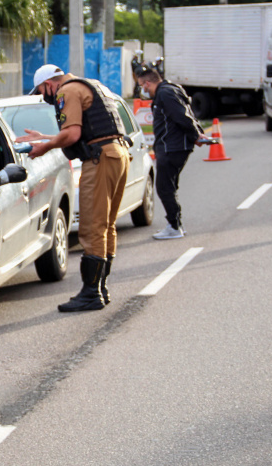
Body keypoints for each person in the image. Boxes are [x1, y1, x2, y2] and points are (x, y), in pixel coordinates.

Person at [17, 64, 130, 312]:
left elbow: (72, 135)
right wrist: (45, 137)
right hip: (117, 154)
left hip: (99, 160)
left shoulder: (65, 92)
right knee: (107, 225)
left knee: (91, 226)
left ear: (49, 84)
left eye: (42, 91)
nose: (46, 97)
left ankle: (91, 293)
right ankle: (101, 288)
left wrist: (44, 147)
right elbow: (88, 129)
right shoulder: (90, 84)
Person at [136, 67, 208, 240]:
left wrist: (196, 135)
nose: (142, 90)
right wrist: (197, 133)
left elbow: (182, 116)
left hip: (172, 147)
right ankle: (176, 225)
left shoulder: (165, 94)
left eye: (141, 85)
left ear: (148, 83)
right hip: (174, 146)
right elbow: (188, 114)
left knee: (164, 187)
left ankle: (174, 226)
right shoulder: (172, 89)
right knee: (169, 186)